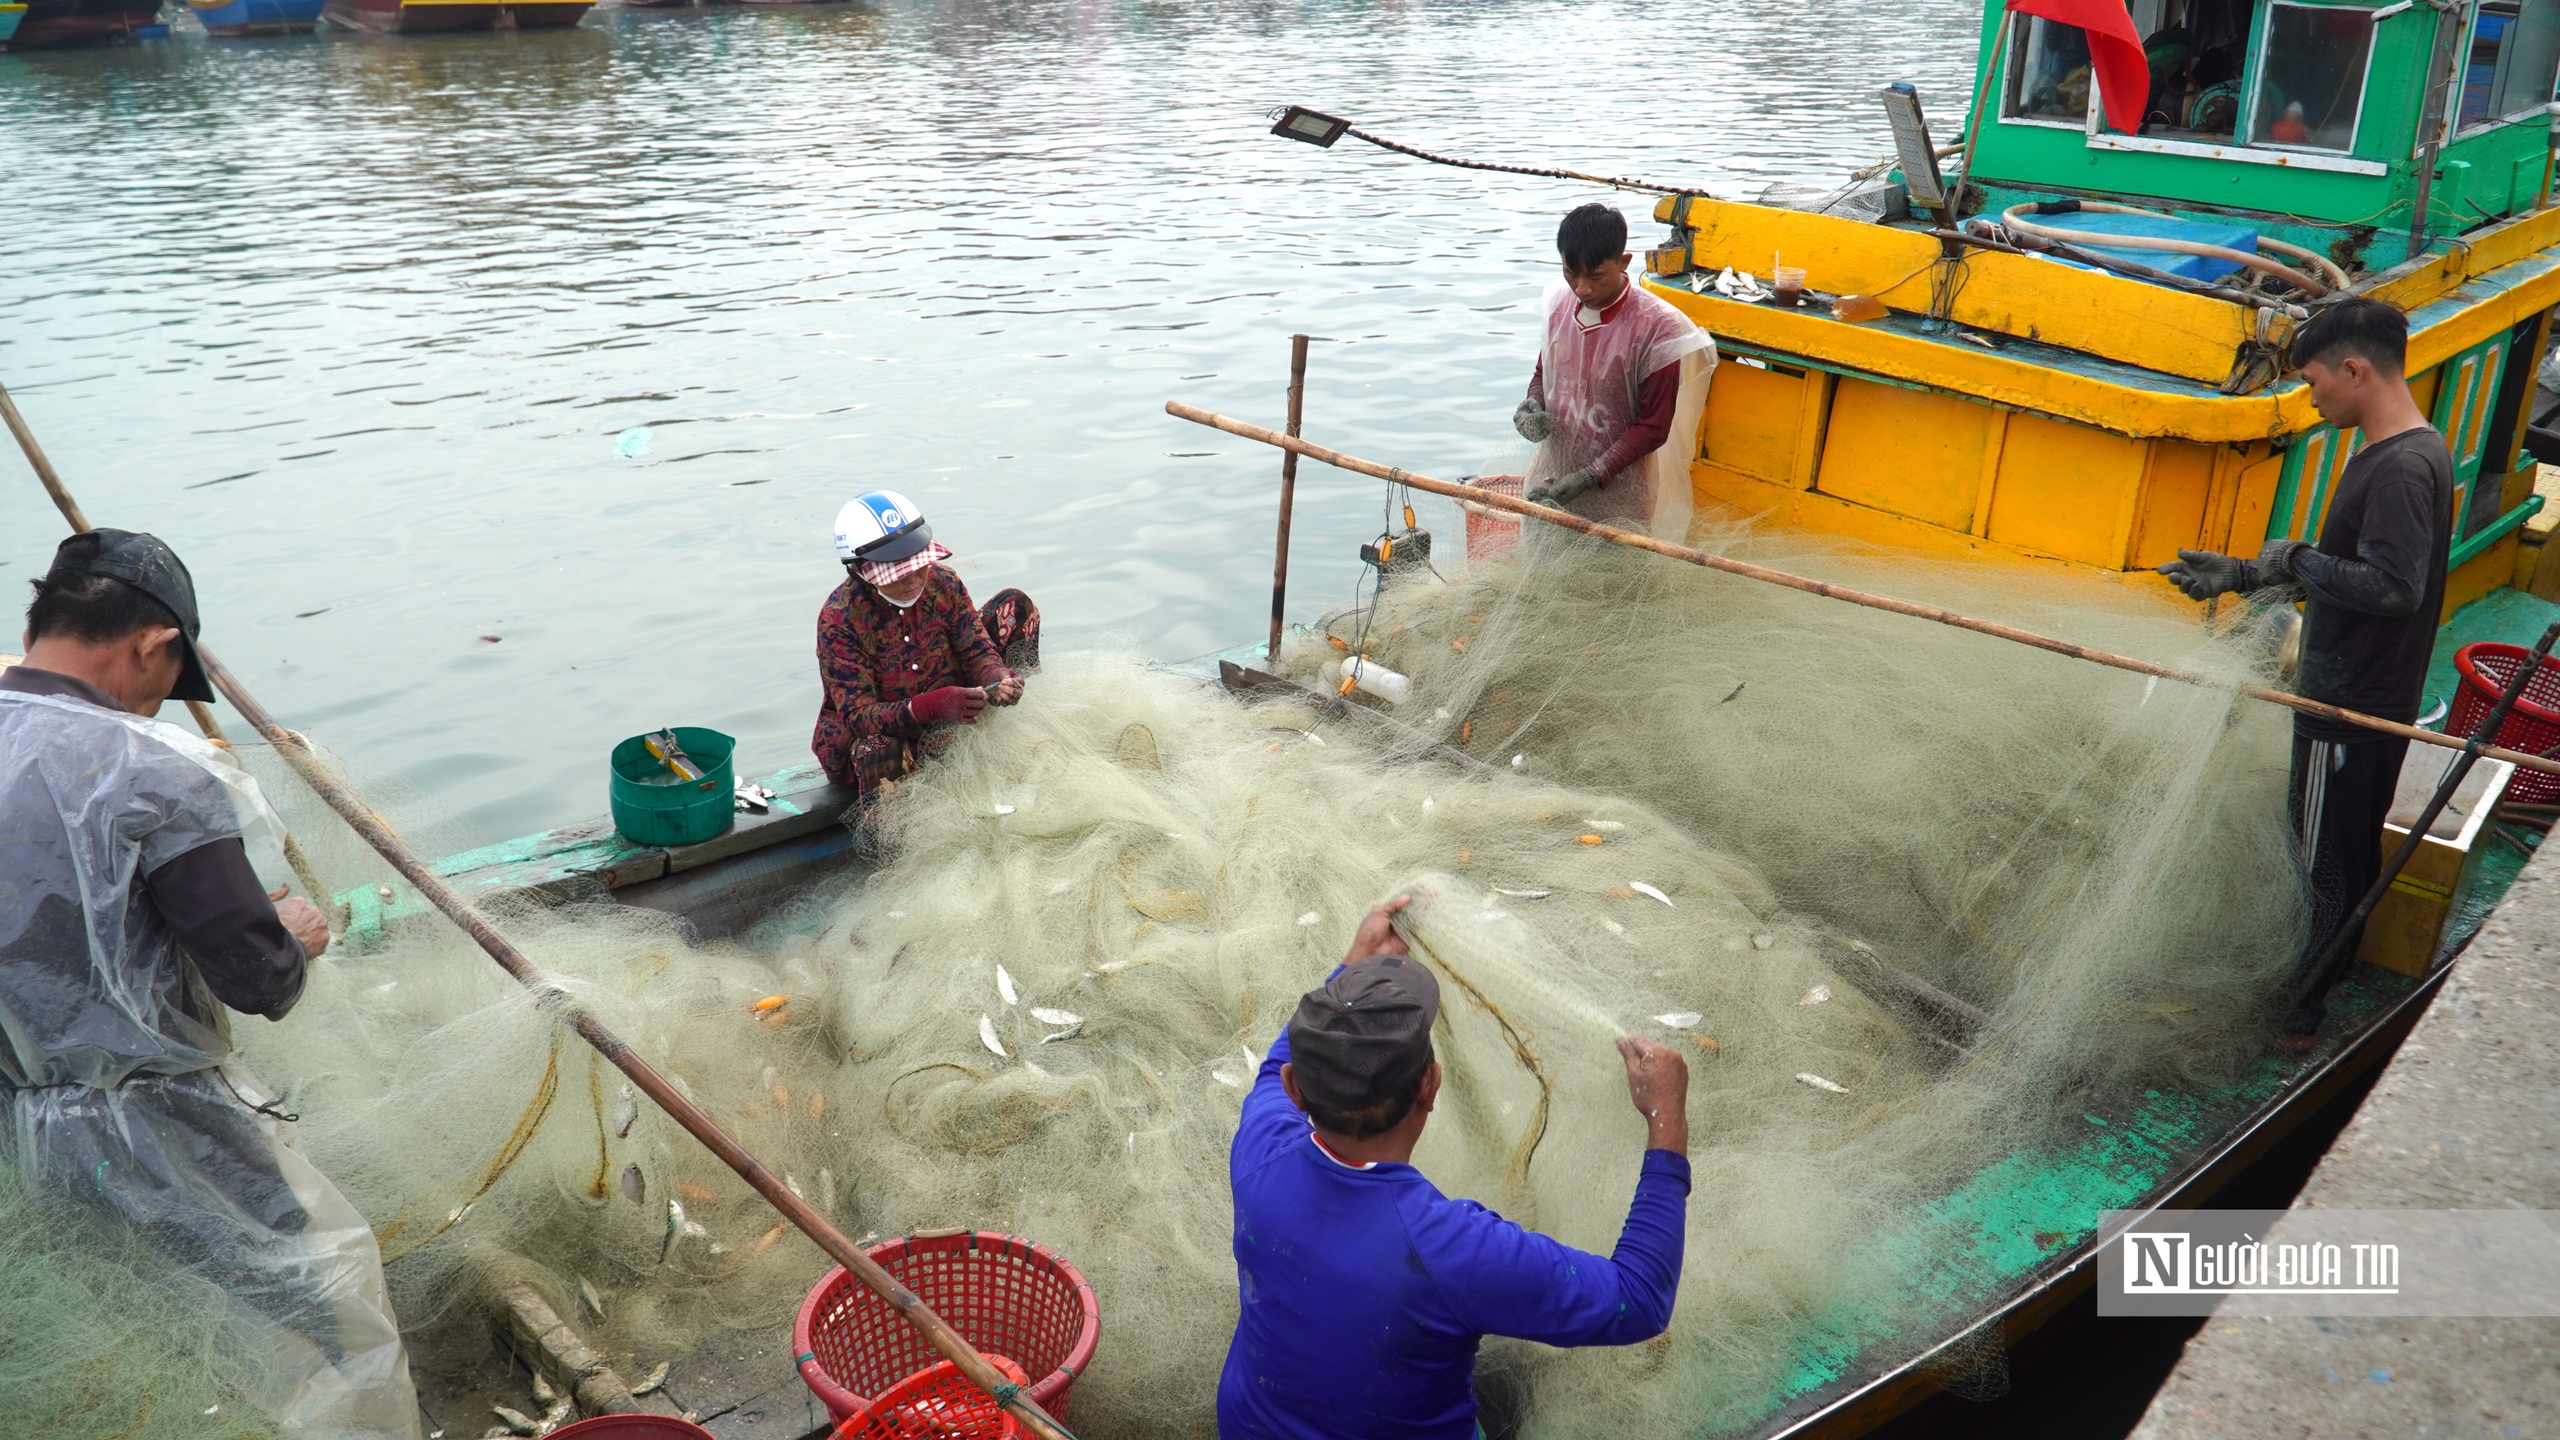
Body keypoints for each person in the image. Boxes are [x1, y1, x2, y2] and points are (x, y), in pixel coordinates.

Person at [0, 530, 420, 1438]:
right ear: (152, 642)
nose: (159, 708)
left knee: (136, 1340)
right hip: (163, 1126)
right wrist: (296, 936)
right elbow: (256, 976)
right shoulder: (153, 770)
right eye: (167, 682)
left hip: (18, 1131)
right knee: (325, 1298)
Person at [1218, 896, 1693, 1439]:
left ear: (1295, 1091)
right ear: (1430, 1084)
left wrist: (1351, 968)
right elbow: (1638, 1299)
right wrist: (1667, 1120)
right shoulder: (1453, 1249)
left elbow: (1274, 1069)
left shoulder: (1261, 1150)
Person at [2157, 298, 2452, 1050]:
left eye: (2314, 379)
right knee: (2341, 842)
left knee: (2318, 856)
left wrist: (2290, 560)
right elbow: (2354, 570)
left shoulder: (2400, 467)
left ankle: (2296, 1007)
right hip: (2362, 690)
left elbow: (2393, 587)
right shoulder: (2407, 452)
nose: (2311, 395)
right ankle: (2331, 969)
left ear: (2355, 368)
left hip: (2347, 704)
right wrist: (2244, 573)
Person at [812, 489, 1039, 794]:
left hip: (955, 710)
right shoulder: (839, 619)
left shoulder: (944, 583)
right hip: (891, 736)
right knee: (878, 748)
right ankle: (893, 827)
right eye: (898, 573)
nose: (914, 579)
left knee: (1014, 605)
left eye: (920, 564)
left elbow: (975, 647)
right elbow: (858, 717)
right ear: (858, 570)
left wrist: (995, 675)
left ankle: (1009, 730)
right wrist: (929, 707)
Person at [1514, 202, 1716, 539]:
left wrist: (1592, 476)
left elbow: (1654, 426)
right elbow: (1543, 373)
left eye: (1595, 276)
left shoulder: (1657, 326)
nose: (1581, 288)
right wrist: (1533, 404)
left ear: (1624, 262)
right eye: (1571, 273)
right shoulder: (1559, 304)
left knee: (1607, 583)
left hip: (1619, 498)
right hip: (1551, 478)